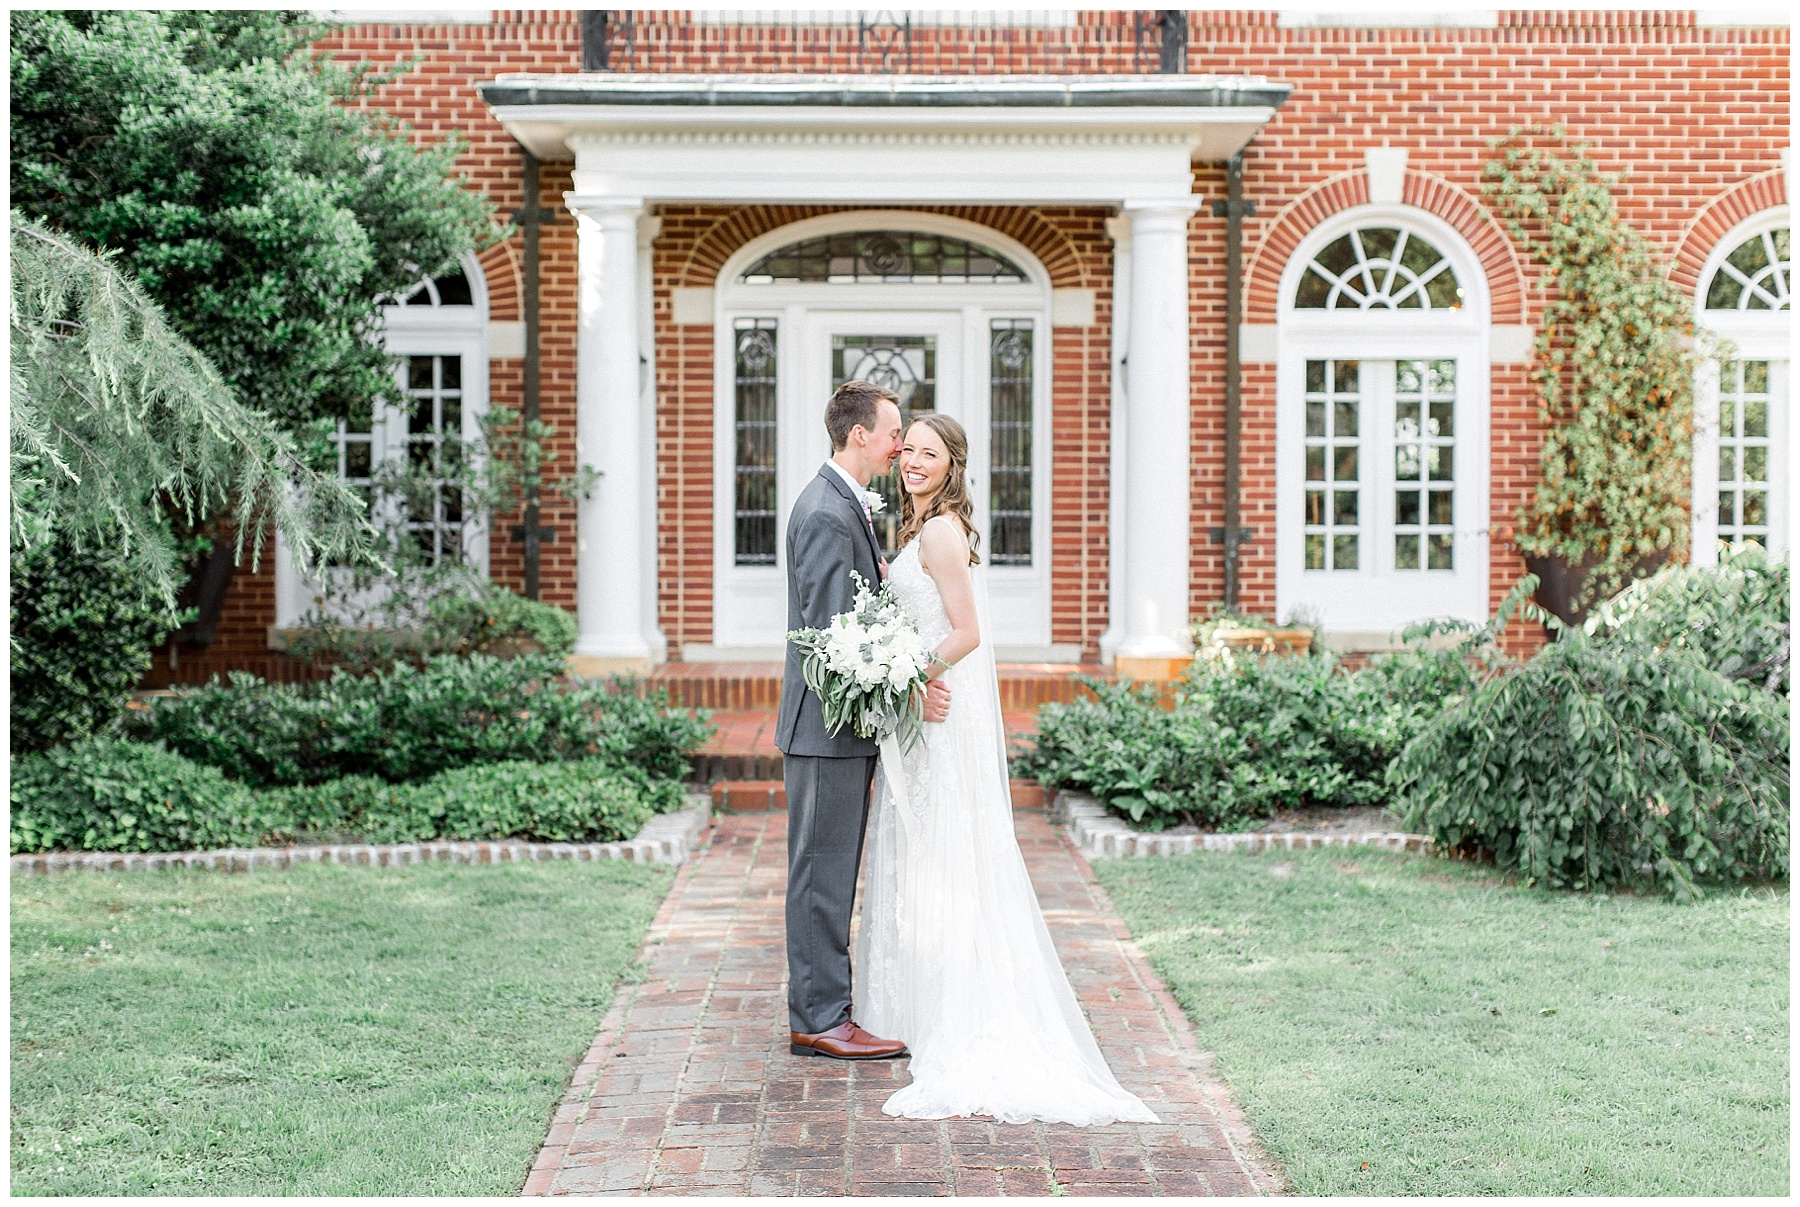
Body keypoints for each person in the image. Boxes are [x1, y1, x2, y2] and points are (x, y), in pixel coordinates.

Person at [853, 413, 1160, 1126]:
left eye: (931, 453)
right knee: (929, 849)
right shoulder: (923, 524)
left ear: (953, 462)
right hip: (927, 711)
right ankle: (919, 1001)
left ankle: (950, 1008)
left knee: (944, 852)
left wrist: (906, 676)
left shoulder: (937, 531)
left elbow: (966, 631)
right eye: (910, 452)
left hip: (936, 711)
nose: (915, 462)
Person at [777, 380, 952, 1061]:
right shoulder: (825, 511)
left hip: (840, 731)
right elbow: (831, 636)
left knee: (829, 871)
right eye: (892, 434)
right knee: (821, 876)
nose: (899, 446)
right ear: (860, 435)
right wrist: (907, 683)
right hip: (825, 730)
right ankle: (820, 1018)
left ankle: (826, 1008)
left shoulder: (842, 505)